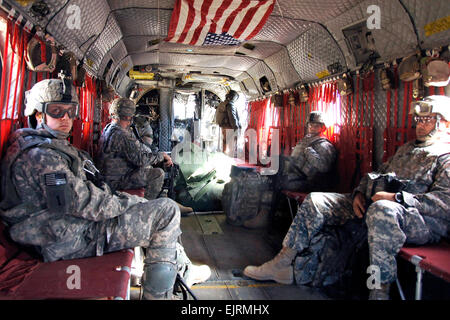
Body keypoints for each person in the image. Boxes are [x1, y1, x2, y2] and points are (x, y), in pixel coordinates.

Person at [0, 79, 209, 299]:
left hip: (61, 230)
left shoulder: (42, 145)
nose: (65, 118)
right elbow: (81, 204)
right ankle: (160, 294)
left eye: (71, 111)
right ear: (38, 114)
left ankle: (181, 269)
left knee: (155, 209)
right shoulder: (41, 157)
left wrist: (128, 202)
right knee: (166, 211)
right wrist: (127, 202)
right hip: (66, 239)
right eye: (56, 111)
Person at [243, 95, 450, 300]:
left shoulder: (445, 156)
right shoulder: (408, 149)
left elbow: (444, 203)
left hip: (420, 221)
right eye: (419, 120)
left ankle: (379, 291)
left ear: (445, 122)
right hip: (379, 205)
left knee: (383, 210)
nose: (420, 125)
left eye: (427, 119)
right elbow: (379, 173)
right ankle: (282, 261)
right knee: (316, 200)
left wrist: (396, 198)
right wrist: (360, 192)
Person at [243, 110, 337, 229]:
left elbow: (324, 167)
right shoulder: (306, 140)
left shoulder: (324, 144)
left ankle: (267, 217)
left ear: (322, 128)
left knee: (275, 183)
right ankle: (267, 215)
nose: (312, 127)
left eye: (316, 125)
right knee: (269, 179)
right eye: (310, 124)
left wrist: (309, 152)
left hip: (307, 182)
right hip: (295, 176)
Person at [96, 98, 192, 213]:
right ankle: (145, 211)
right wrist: (161, 156)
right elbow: (140, 159)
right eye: (127, 118)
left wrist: (156, 156)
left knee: (148, 167)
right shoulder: (120, 134)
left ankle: (163, 202)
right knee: (157, 174)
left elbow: (139, 150)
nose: (129, 122)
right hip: (116, 180)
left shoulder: (110, 129)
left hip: (112, 176)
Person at [215, 90, 241, 154]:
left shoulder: (222, 104)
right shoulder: (230, 105)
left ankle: (225, 154)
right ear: (234, 97)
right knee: (231, 142)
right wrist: (236, 127)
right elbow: (232, 117)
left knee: (225, 141)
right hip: (229, 126)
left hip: (223, 126)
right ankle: (231, 156)